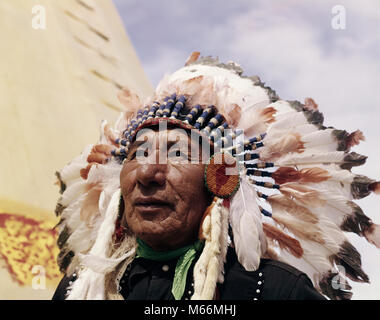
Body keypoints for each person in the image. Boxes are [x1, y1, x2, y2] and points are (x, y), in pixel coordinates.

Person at [52, 53, 380, 300]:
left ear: (220, 178)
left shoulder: (274, 291)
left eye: (177, 153)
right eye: (137, 153)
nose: (148, 173)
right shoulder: (79, 288)